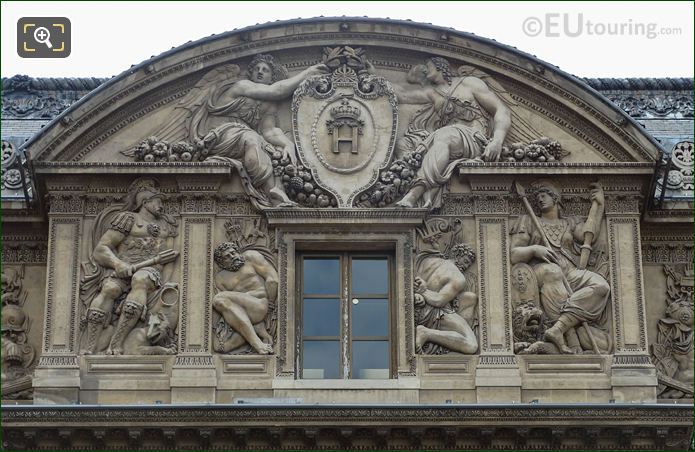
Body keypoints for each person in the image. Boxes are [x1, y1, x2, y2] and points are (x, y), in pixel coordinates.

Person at [195, 54, 328, 207]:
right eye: (257, 69)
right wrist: (307, 73)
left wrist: (288, 144)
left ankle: (277, 189)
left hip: (241, 136)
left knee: (271, 148)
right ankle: (273, 194)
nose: (260, 72)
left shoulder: (269, 105)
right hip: (220, 133)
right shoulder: (242, 85)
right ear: (250, 73)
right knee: (251, 139)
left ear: (272, 77)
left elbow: (269, 131)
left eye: (265, 70)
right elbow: (277, 91)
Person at [392, 57, 511, 208]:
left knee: (445, 135)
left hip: (473, 138)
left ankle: (414, 193)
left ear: (440, 67)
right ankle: (401, 184)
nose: (425, 69)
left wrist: (497, 141)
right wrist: (373, 77)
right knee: (403, 144)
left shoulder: (468, 83)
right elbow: (403, 95)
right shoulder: (432, 93)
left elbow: (501, 110)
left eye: (428, 66)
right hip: (446, 138)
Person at [510, 180, 611, 354]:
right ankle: (570, 336)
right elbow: (514, 254)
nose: (540, 199)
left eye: (544, 195)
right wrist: (534, 249)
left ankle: (558, 328)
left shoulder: (570, 223)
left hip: (570, 272)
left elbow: (588, 235)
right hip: (541, 271)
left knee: (601, 286)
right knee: (553, 272)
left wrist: (598, 205)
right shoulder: (528, 221)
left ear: (555, 198)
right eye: (537, 197)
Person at [81, 180, 178, 355]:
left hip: (150, 272)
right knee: (109, 289)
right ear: (145, 202)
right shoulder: (128, 219)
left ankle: (116, 344)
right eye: (157, 201)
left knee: (140, 279)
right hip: (122, 268)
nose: (161, 206)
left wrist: (168, 282)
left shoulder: (167, 225)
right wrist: (118, 263)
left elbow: (170, 259)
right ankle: (90, 348)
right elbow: (101, 249)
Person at [212, 242, 278, 354]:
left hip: (260, 303)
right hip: (247, 314)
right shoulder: (220, 278)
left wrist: (271, 304)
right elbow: (230, 308)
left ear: (238, 252)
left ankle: (257, 343)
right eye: (227, 257)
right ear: (222, 263)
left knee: (219, 299)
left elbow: (272, 280)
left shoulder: (251, 257)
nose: (232, 256)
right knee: (220, 347)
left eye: (233, 253)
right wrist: (262, 331)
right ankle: (255, 335)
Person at [414, 243, 478, 354]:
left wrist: (418, 293)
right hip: (433, 313)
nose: (466, 266)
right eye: (466, 261)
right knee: (471, 345)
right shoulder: (458, 277)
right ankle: (426, 333)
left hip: (416, 304)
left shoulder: (428, 259)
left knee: (470, 297)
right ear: (457, 255)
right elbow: (439, 301)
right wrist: (423, 291)